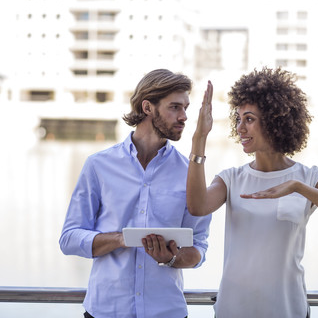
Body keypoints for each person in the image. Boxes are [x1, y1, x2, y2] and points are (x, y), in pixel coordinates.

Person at [187, 67, 318, 318]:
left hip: (287, 310)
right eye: (238, 119)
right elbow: (197, 206)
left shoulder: (309, 177)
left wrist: (298, 188)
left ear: (274, 121)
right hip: (233, 310)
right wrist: (199, 138)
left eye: (249, 119)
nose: (240, 128)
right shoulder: (231, 179)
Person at [59, 69, 212, 318]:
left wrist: (171, 258)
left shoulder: (190, 173)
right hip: (106, 310)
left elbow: (199, 249)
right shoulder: (99, 165)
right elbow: (69, 239)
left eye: (186, 108)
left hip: (166, 312)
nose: (184, 116)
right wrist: (121, 239)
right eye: (175, 107)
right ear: (148, 107)